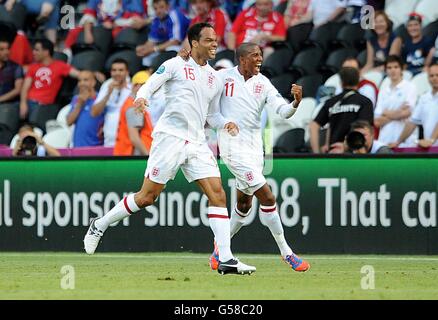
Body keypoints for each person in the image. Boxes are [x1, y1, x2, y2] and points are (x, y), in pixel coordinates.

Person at [83, 23, 256, 275]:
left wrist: (225, 123)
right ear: (194, 43)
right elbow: (150, 85)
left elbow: (213, 115)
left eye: (216, 40)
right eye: (209, 40)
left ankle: (225, 258)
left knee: (218, 194)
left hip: (197, 141)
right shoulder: (175, 64)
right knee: (147, 198)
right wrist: (141, 98)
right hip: (169, 138)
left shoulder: (214, 79)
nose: (214, 45)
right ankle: (100, 223)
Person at [208, 43, 310, 272]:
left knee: (244, 204)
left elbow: (282, 110)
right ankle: (287, 252)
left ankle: (219, 250)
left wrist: (295, 103)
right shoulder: (222, 77)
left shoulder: (263, 83)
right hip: (231, 148)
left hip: (255, 150)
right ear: (242, 59)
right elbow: (207, 101)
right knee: (268, 196)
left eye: (261, 55)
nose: (260, 59)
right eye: (255, 55)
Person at [309, 66, 374, 153]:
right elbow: (364, 129)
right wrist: (346, 146)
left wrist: (316, 152)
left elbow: (313, 126)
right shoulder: (364, 101)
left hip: (334, 152)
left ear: (341, 82)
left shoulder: (331, 102)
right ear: (358, 81)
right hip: (354, 152)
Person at [19, 39, 79, 121]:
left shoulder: (60, 66)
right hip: (29, 102)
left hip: (45, 106)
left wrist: (94, 73)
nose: (33, 52)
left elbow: (79, 74)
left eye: (37, 50)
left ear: (46, 52)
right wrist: (23, 103)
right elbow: (25, 88)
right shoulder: (33, 67)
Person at [388, 63, 438, 149]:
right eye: (431, 76)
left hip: (431, 144)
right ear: (428, 78)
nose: (434, 78)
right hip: (431, 149)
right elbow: (412, 123)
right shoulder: (424, 98)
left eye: (437, 75)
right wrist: (398, 142)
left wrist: (431, 140)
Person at [374, 55, 418, 147]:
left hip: (405, 141)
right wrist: (399, 112)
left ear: (401, 69)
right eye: (389, 68)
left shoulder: (410, 87)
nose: (393, 70)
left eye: (396, 67)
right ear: (386, 70)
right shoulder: (383, 91)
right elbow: (377, 122)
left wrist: (385, 112)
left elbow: (407, 113)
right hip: (385, 140)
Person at [136, 0, 190, 68]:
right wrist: (143, 48)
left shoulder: (175, 15)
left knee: (170, 49)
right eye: (156, 8)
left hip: (183, 46)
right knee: (146, 57)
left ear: (168, 7)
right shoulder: (156, 20)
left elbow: (176, 41)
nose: (158, 11)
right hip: (165, 45)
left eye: (161, 7)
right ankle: (147, 73)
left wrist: (153, 49)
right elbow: (152, 41)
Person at [91, 58, 132, 147]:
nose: (117, 73)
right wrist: (108, 93)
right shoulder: (106, 85)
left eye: (121, 70)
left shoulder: (132, 88)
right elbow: (94, 112)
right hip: (109, 138)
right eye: (114, 70)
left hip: (128, 138)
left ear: (127, 72)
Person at [113, 70, 153, 156]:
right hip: (133, 155)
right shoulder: (134, 106)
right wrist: (148, 156)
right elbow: (134, 138)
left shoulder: (132, 103)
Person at [66, 70, 104, 147]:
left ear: (93, 82)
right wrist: (79, 104)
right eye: (79, 81)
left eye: (85, 80)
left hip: (97, 147)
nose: (81, 83)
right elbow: (69, 122)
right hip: (78, 146)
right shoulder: (76, 99)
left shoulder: (100, 98)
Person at [361, 10, 396, 75]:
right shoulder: (370, 41)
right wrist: (359, 75)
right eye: (375, 22)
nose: (378, 24)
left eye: (381, 21)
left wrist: (370, 72)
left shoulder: (395, 39)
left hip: (391, 72)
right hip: (376, 72)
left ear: (387, 23)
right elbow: (369, 64)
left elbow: (391, 64)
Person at [0, 35, 23, 104]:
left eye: (8, 48)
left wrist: (0, 99)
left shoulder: (16, 67)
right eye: (2, 49)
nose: (6, 52)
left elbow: (18, 90)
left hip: (9, 105)